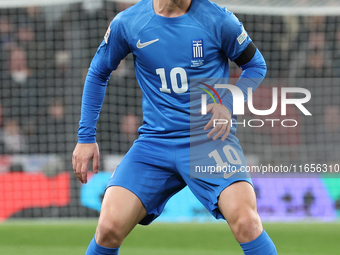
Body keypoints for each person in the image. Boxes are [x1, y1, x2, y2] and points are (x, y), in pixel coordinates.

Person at [72, 0, 277, 254]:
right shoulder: (129, 23)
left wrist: (227, 102)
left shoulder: (219, 20)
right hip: (154, 144)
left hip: (209, 141)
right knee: (108, 229)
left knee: (247, 222)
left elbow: (256, 65)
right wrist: (85, 137)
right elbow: (97, 72)